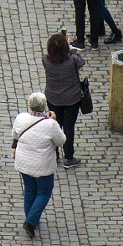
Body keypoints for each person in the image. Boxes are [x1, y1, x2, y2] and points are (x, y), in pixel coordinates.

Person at [12, 89, 66, 235]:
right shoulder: (50, 124)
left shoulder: (21, 118)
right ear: (44, 107)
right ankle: (30, 221)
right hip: (42, 165)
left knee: (30, 190)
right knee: (44, 192)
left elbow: (15, 134)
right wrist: (53, 121)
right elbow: (61, 140)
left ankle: (31, 217)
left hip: (24, 162)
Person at [43, 29, 87, 167]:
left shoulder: (45, 59)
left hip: (53, 98)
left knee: (54, 125)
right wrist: (71, 48)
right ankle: (68, 157)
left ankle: (54, 155)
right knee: (69, 128)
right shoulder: (72, 59)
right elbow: (81, 62)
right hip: (71, 100)